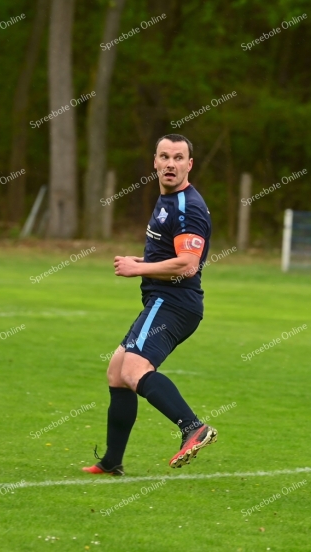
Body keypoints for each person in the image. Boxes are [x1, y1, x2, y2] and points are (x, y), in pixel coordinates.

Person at [83, 134, 216, 476]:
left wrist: (137, 268)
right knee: (117, 372)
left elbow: (187, 263)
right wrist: (143, 260)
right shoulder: (168, 200)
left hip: (173, 302)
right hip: (163, 300)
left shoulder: (189, 207)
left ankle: (193, 427)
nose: (170, 163)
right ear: (154, 162)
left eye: (178, 158)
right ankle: (112, 461)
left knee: (133, 371)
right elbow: (171, 254)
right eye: (164, 156)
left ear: (189, 165)